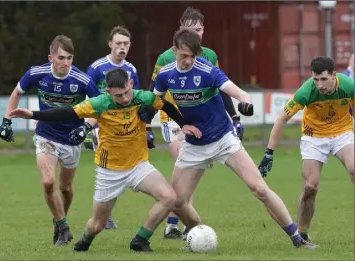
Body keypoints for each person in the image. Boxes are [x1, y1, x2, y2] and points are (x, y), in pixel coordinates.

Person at [153, 28, 316, 249]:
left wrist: (245, 103)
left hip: (223, 139)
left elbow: (238, 92)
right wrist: (154, 123)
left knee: (259, 188)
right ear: (174, 51)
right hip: (194, 145)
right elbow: (156, 101)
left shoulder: (208, 71)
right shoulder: (165, 75)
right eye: (184, 56)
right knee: (176, 201)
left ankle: (297, 237)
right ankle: (198, 230)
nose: (189, 61)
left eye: (193, 56)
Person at [9, 68, 202, 252]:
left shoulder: (142, 97)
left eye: (127, 92)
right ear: (108, 91)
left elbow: (165, 104)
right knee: (97, 225)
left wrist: (184, 124)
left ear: (131, 84)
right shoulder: (100, 103)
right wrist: (33, 114)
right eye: (118, 95)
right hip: (109, 171)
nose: (125, 98)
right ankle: (83, 242)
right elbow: (67, 112)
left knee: (169, 197)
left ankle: (140, 239)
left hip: (138, 165)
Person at [149, 6, 244, 239]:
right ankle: (175, 224)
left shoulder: (209, 55)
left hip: (200, 121)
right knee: (183, 167)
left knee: (186, 178)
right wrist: (144, 126)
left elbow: (221, 90)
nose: (196, 34)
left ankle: (178, 223)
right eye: (191, 29)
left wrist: (234, 117)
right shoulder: (165, 58)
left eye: (199, 29)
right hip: (173, 117)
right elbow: (155, 95)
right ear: (180, 31)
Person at [0, 35, 101, 246]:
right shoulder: (37, 73)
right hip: (46, 135)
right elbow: (16, 93)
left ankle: (58, 220)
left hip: (72, 139)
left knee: (66, 189)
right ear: (50, 58)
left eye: (70, 58)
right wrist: (6, 120)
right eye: (61, 58)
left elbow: (100, 106)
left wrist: (86, 128)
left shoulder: (82, 80)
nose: (66, 63)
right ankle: (63, 226)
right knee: (48, 182)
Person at [258, 56, 354, 242]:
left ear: (334, 75)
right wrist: (269, 153)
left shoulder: (349, 85)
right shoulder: (306, 91)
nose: (319, 85)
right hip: (313, 136)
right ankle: (302, 234)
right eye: (316, 79)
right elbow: (281, 119)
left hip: (342, 132)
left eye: (324, 79)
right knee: (311, 186)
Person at [84, 25, 141, 230]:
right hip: (101, 125)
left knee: (119, 167)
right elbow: (87, 98)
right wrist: (89, 128)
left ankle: (104, 214)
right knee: (108, 168)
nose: (122, 47)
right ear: (110, 44)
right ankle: (103, 216)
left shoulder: (131, 70)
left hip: (124, 126)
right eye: (118, 43)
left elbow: (137, 99)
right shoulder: (97, 68)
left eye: (126, 44)